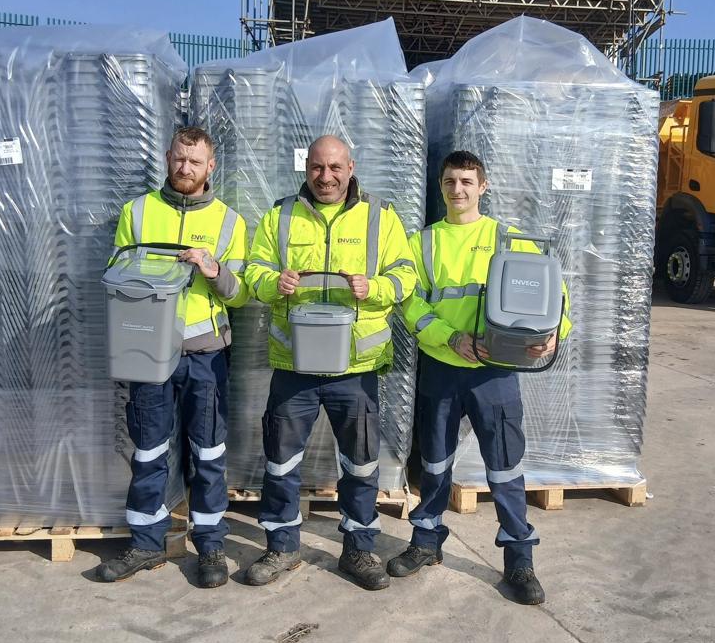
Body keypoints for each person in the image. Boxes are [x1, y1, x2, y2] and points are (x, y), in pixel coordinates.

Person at [389, 150, 572, 605]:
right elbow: (410, 304)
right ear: (441, 186)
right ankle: (426, 541)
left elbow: (555, 292)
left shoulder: (508, 239)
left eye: (467, 182)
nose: (458, 190)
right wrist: (451, 338)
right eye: (450, 181)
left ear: (483, 187)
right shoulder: (422, 243)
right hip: (443, 367)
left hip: (495, 372)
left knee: (505, 468)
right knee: (433, 463)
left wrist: (553, 335)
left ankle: (519, 557)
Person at [242, 135, 417, 591]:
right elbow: (252, 271)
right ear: (307, 168)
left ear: (351, 167)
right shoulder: (281, 216)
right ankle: (281, 548)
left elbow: (406, 276)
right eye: (318, 168)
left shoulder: (380, 217)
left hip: (355, 370)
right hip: (294, 367)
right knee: (280, 461)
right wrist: (272, 281)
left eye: (335, 168)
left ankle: (359, 549)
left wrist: (372, 287)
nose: (326, 177)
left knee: (360, 463)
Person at [96, 126, 250, 588]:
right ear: (168, 157)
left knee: (208, 452)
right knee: (149, 449)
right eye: (179, 159)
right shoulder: (138, 212)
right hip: (146, 351)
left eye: (195, 162)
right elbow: (114, 274)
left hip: (206, 355)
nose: (186, 169)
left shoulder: (229, 222)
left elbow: (240, 294)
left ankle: (211, 545)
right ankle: (146, 544)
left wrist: (213, 267)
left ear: (210, 166)